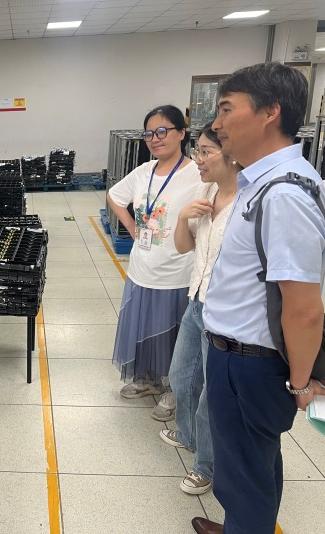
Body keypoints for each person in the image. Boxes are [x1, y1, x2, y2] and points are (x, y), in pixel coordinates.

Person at [193, 62, 325, 534]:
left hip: (249, 363)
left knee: (245, 475)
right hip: (240, 356)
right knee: (252, 465)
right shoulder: (265, 183)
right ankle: (241, 524)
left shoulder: (284, 194)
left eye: (227, 109)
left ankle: (244, 524)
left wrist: (301, 383)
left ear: (271, 112)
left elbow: (304, 307)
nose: (217, 124)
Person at [158, 122, 240, 497]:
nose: (198, 159)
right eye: (197, 151)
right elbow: (183, 246)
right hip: (196, 300)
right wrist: (182, 217)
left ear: (232, 154)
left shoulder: (248, 203)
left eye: (205, 152)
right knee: (181, 376)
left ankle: (205, 466)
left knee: (212, 395)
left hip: (225, 315)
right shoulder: (206, 191)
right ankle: (189, 435)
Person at [107, 105, 201, 419]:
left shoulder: (197, 174)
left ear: (181, 133)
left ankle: (175, 389)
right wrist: (132, 227)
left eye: (162, 131)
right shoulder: (144, 171)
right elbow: (115, 196)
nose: (155, 139)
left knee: (175, 334)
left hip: (178, 270)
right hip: (142, 267)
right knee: (145, 327)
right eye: (149, 133)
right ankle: (148, 380)